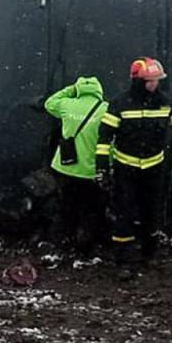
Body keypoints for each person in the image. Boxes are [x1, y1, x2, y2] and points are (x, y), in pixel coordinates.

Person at [96, 57, 172, 278]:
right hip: (125, 167)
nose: (154, 85)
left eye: (157, 80)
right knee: (123, 214)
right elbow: (104, 138)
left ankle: (149, 254)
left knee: (152, 212)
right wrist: (102, 168)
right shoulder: (119, 104)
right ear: (137, 80)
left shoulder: (166, 103)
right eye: (150, 81)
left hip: (155, 168)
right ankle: (123, 261)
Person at [43, 76, 108, 253]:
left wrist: (72, 90)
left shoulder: (67, 105)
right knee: (91, 211)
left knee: (65, 208)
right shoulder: (105, 110)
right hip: (90, 170)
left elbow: (49, 103)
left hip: (65, 167)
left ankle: (60, 245)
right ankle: (87, 247)